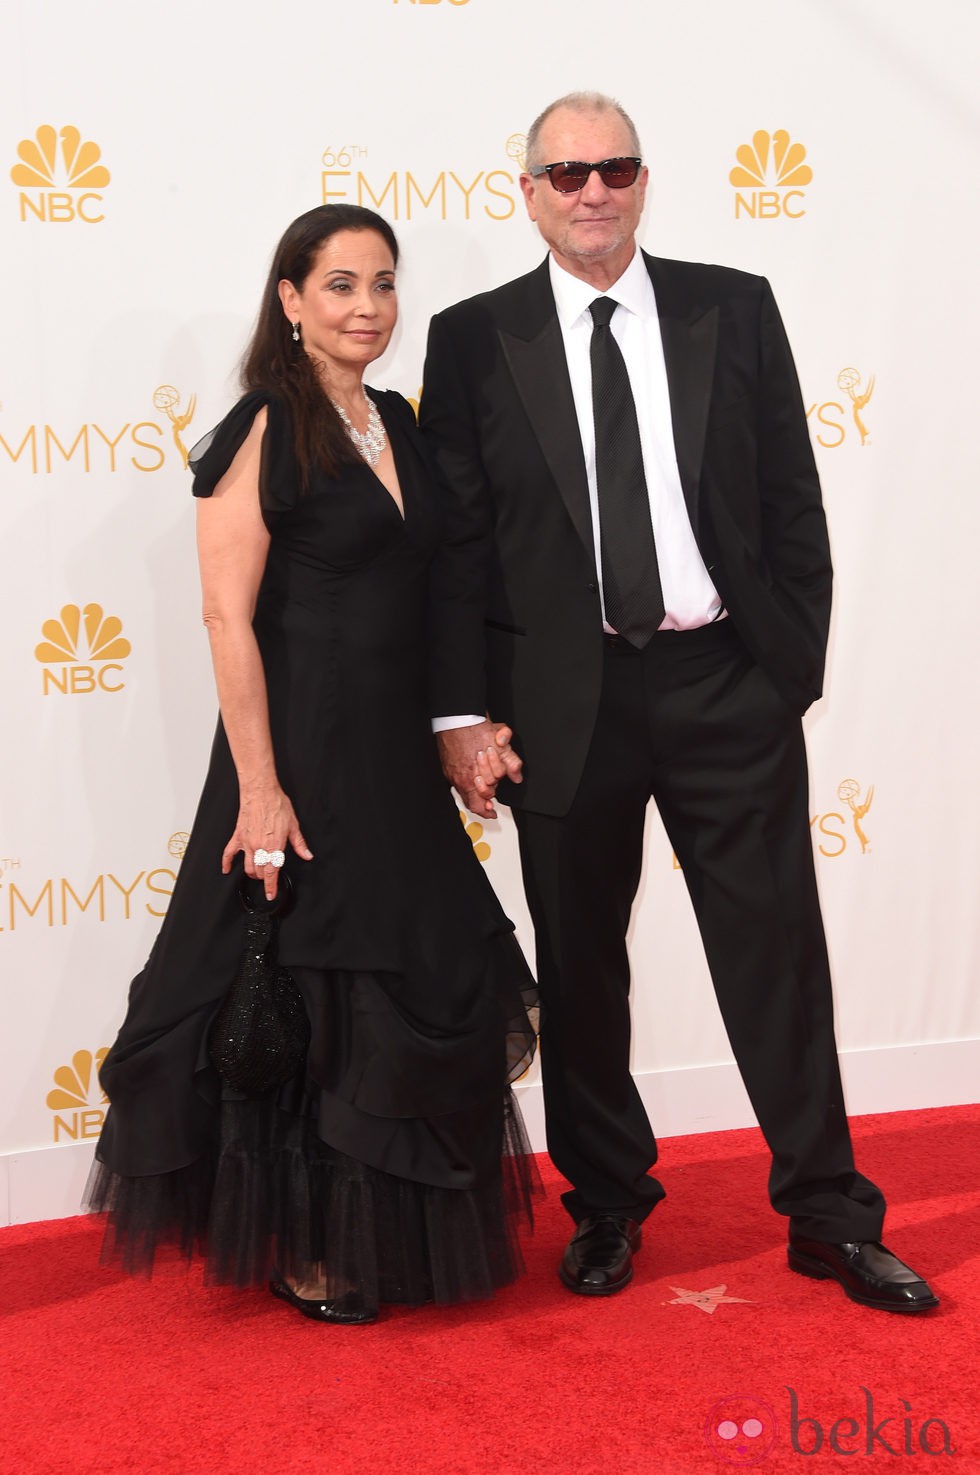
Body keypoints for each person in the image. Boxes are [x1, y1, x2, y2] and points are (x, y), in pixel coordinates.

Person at [419, 93, 937, 1313]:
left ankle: (827, 1214)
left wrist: (782, 672)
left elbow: (789, 501)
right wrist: (458, 712)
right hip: (556, 700)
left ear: (642, 181)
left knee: (775, 957)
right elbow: (455, 549)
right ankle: (605, 1205)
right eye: (565, 172)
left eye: (614, 167)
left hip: (721, 685)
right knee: (582, 968)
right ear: (527, 192)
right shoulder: (471, 336)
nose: (590, 189)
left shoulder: (730, 304)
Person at [86, 204, 538, 1325]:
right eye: (339, 285)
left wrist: (456, 724)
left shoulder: (396, 416)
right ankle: (312, 1244)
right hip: (301, 754)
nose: (367, 308)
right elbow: (224, 619)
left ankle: (385, 1227)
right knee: (312, 982)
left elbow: (439, 584)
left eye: (382, 284)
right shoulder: (259, 428)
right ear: (289, 299)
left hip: (393, 755)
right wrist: (260, 787)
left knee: (413, 971)